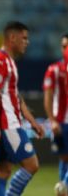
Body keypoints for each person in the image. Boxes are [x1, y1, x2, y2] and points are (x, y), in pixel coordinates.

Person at [0, 21, 45, 196]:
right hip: (7, 125)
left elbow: (14, 95)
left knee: (3, 172)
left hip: (7, 123)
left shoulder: (9, 62)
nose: (27, 42)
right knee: (32, 165)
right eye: (24, 38)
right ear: (12, 37)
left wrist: (32, 121)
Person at [43, 33, 68, 192]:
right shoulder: (54, 69)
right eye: (64, 46)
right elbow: (48, 97)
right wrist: (52, 120)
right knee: (64, 158)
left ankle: (63, 187)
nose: (65, 49)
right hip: (61, 122)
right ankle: (63, 185)